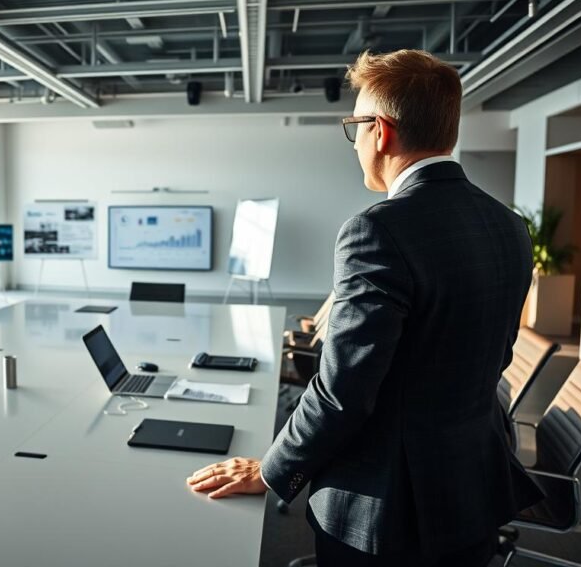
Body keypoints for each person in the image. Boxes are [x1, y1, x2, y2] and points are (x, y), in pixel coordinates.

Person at [187, 50, 542, 567]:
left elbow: (343, 393)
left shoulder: (377, 230)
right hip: (473, 489)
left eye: (354, 126)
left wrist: (270, 470)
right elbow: (495, 354)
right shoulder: (508, 226)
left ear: (381, 131)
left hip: (389, 509)